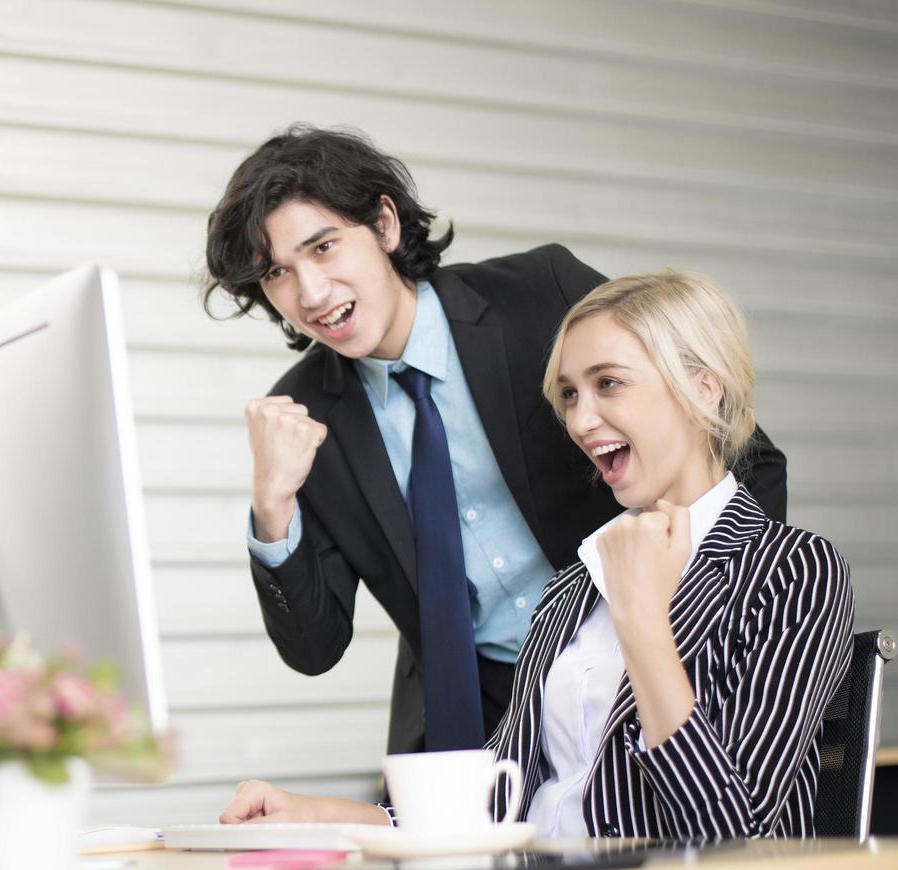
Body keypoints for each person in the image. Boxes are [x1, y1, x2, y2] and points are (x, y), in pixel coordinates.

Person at [202, 125, 788, 755]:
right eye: (277, 275)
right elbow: (314, 650)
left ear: (385, 225)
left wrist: (703, 638)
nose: (310, 294)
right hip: (470, 725)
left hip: (633, 678)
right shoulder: (305, 416)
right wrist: (271, 507)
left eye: (323, 248)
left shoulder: (542, 295)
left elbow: (743, 455)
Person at [220, 270, 855, 839]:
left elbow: (729, 826)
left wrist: (641, 620)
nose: (581, 422)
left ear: (705, 387)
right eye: (570, 395)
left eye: (609, 384)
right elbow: (501, 796)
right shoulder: (574, 588)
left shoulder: (795, 571)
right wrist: (324, 816)